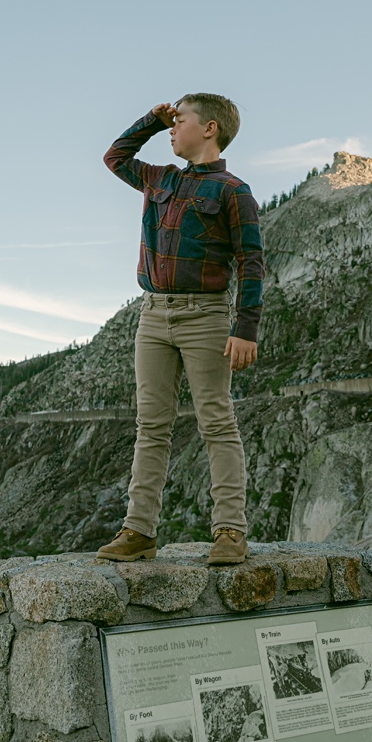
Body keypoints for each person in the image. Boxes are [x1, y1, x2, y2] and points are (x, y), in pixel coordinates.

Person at [97, 95, 263, 566]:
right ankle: (139, 530)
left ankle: (230, 531)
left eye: (180, 120)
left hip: (206, 316)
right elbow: (115, 157)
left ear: (209, 128)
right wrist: (152, 119)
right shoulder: (159, 179)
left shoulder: (234, 191)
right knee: (151, 425)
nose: (173, 127)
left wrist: (245, 328)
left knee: (216, 421)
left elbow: (252, 262)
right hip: (152, 316)